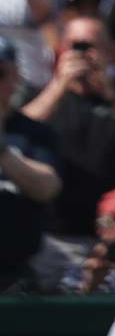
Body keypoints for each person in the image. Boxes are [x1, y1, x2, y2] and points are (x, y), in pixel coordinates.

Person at [22, 16, 115, 284]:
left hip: (112, 237)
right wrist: (60, 84)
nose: (83, 54)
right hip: (52, 238)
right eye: (76, 46)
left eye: (91, 46)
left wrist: (111, 97)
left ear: (109, 52)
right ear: (62, 49)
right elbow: (19, 134)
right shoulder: (43, 95)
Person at [0, 35, 62, 290]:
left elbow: (47, 188)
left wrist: (2, 151)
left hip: (15, 273)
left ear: (15, 76)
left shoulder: (33, 132)